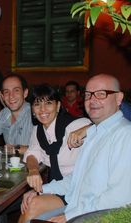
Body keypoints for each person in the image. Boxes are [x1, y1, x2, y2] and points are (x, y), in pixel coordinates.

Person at [20, 74, 131, 223]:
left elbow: (119, 198)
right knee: (30, 206)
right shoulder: (94, 133)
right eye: (88, 95)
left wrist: (69, 217)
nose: (92, 100)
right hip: (76, 205)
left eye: (101, 94)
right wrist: (41, 189)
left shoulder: (124, 135)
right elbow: (77, 179)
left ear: (119, 98)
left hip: (96, 215)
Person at [18, 84, 91, 222]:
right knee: (29, 204)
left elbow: (103, 128)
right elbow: (32, 153)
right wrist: (33, 170)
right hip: (58, 188)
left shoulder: (76, 125)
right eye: (37, 104)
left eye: (49, 103)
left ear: (58, 106)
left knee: (32, 204)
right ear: (32, 109)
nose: (43, 109)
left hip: (79, 191)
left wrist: (87, 129)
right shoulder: (38, 131)